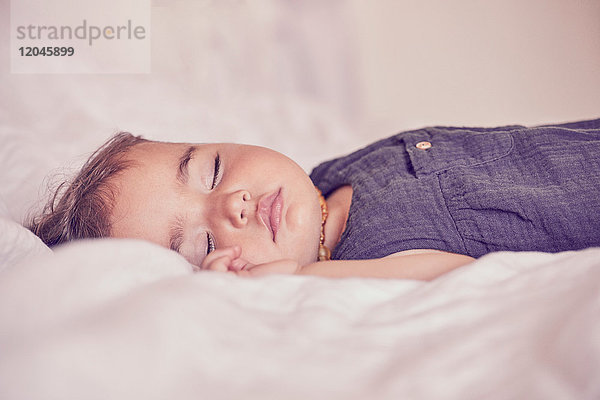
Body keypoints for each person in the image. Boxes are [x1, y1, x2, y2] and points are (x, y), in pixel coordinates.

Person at [28, 118, 600, 280]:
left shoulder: (328, 176)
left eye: (211, 170)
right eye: (202, 242)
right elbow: (449, 276)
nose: (233, 206)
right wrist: (288, 281)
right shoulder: (360, 263)